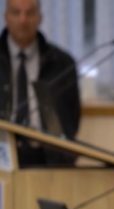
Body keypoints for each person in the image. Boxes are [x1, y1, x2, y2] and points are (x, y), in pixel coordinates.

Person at [0, 0, 81, 167]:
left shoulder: (61, 63)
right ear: (6, 17)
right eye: (16, 13)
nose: (23, 20)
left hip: (46, 158)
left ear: (40, 18)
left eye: (29, 13)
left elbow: (71, 118)